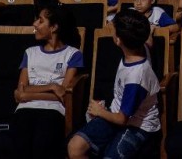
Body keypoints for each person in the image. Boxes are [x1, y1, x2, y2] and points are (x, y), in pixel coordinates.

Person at [68, 10, 161, 159]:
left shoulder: (136, 77)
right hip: (117, 112)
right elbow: (148, 39)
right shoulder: (140, 45)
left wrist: (99, 111)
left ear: (118, 41)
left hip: (137, 125)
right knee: (75, 147)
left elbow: (122, 119)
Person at [13, 0, 83, 158]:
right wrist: (52, 87)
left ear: (54, 27)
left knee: (41, 145)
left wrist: (28, 93)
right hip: (25, 109)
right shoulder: (30, 53)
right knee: (20, 145)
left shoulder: (73, 54)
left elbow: (65, 95)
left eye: (40, 20)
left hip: (53, 110)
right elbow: (19, 93)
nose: (35, 24)